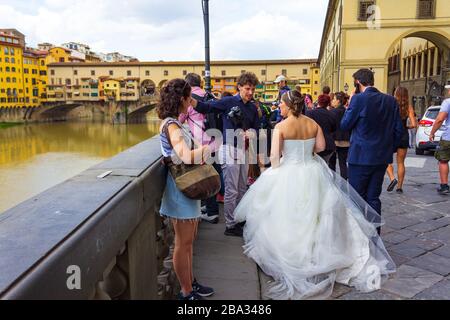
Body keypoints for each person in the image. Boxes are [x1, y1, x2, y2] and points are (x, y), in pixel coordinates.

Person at [234, 89, 396, 300]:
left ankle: (293, 254)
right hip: (312, 169)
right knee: (318, 215)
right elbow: (320, 147)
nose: (279, 107)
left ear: (289, 105)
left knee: (287, 214)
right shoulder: (313, 124)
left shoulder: (281, 126)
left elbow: (274, 157)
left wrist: (274, 169)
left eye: (282, 104)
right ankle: (317, 252)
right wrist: (305, 151)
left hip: (289, 170)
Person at [158, 78, 214, 300]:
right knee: (183, 243)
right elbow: (184, 155)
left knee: (188, 242)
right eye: (189, 97)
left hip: (186, 185)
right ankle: (186, 292)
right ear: (181, 99)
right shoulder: (171, 125)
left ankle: (191, 282)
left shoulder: (176, 122)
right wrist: (206, 150)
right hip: (180, 187)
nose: (192, 101)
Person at [191, 72, 261, 237]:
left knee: (243, 187)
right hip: (229, 149)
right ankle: (230, 225)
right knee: (231, 190)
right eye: (247, 88)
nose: (250, 92)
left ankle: (240, 218)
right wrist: (191, 100)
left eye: (252, 89)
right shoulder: (228, 102)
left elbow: (257, 128)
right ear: (239, 87)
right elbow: (206, 107)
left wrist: (251, 132)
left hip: (244, 150)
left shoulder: (252, 107)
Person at [341, 69, 404, 235]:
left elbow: (345, 125)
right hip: (381, 157)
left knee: (356, 198)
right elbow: (399, 130)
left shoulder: (359, 99)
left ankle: (359, 235)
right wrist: (387, 150)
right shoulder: (390, 101)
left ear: (358, 82)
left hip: (360, 157)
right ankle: (375, 234)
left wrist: (349, 106)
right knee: (374, 197)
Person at [179, 73, 222, 223]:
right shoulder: (208, 95)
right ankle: (211, 206)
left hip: (202, 145)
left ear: (188, 85)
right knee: (215, 174)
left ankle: (212, 212)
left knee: (206, 177)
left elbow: (179, 120)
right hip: (216, 142)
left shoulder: (190, 99)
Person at [386, 87, 418, 193]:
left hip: (391, 135)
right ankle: (399, 187)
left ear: (396, 94)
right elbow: (414, 124)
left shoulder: (390, 105)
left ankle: (392, 178)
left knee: (387, 160)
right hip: (403, 135)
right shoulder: (408, 107)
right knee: (401, 163)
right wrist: (406, 127)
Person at [429, 83, 450, 194]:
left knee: (443, 160)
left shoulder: (447, 102)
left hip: (448, 137)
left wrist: (432, 132)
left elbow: (439, 119)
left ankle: (444, 185)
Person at [306, 94, 337, 164]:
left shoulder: (310, 113)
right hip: (329, 145)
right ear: (328, 103)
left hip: (315, 145)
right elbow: (333, 129)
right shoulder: (332, 114)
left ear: (318, 101)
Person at [329, 92, 351, 180]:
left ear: (338, 101)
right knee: (343, 163)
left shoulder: (332, 112)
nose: (332, 101)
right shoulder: (347, 111)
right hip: (345, 141)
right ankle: (344, 183)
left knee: (332, 163)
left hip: (334, 140)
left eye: (334, 99)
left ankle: (332, 181)